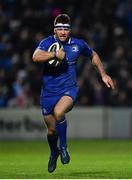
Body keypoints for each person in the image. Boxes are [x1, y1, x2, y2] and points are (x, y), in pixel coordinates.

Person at [32, 14, 115, 173]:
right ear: (54, 30)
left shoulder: (78, 44)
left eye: (66, 29)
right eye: (59, 29)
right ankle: (54, 152)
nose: (63, 32)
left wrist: (103, 74)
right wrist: (55, 54)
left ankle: (63, 147)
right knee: (51, 131)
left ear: (70, 30)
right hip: (48, 93)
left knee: (59, 112)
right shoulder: (48, 42)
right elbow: (35, 57)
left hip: (69, 90)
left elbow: (93, 55)